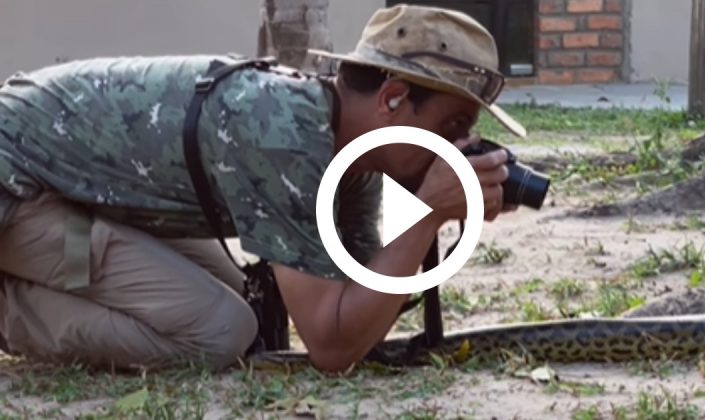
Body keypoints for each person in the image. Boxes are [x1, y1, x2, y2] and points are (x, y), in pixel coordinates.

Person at [0, 4, 526, 372]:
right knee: (220, 330)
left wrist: (430, 215)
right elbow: (331, 344)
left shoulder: (352, 154)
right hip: (17, 183)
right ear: (391, 99)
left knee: (248, 319)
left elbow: (357, 309)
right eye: (453, 127)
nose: (460, 146)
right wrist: (428, 217)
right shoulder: (283, 136)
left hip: (81, 189)